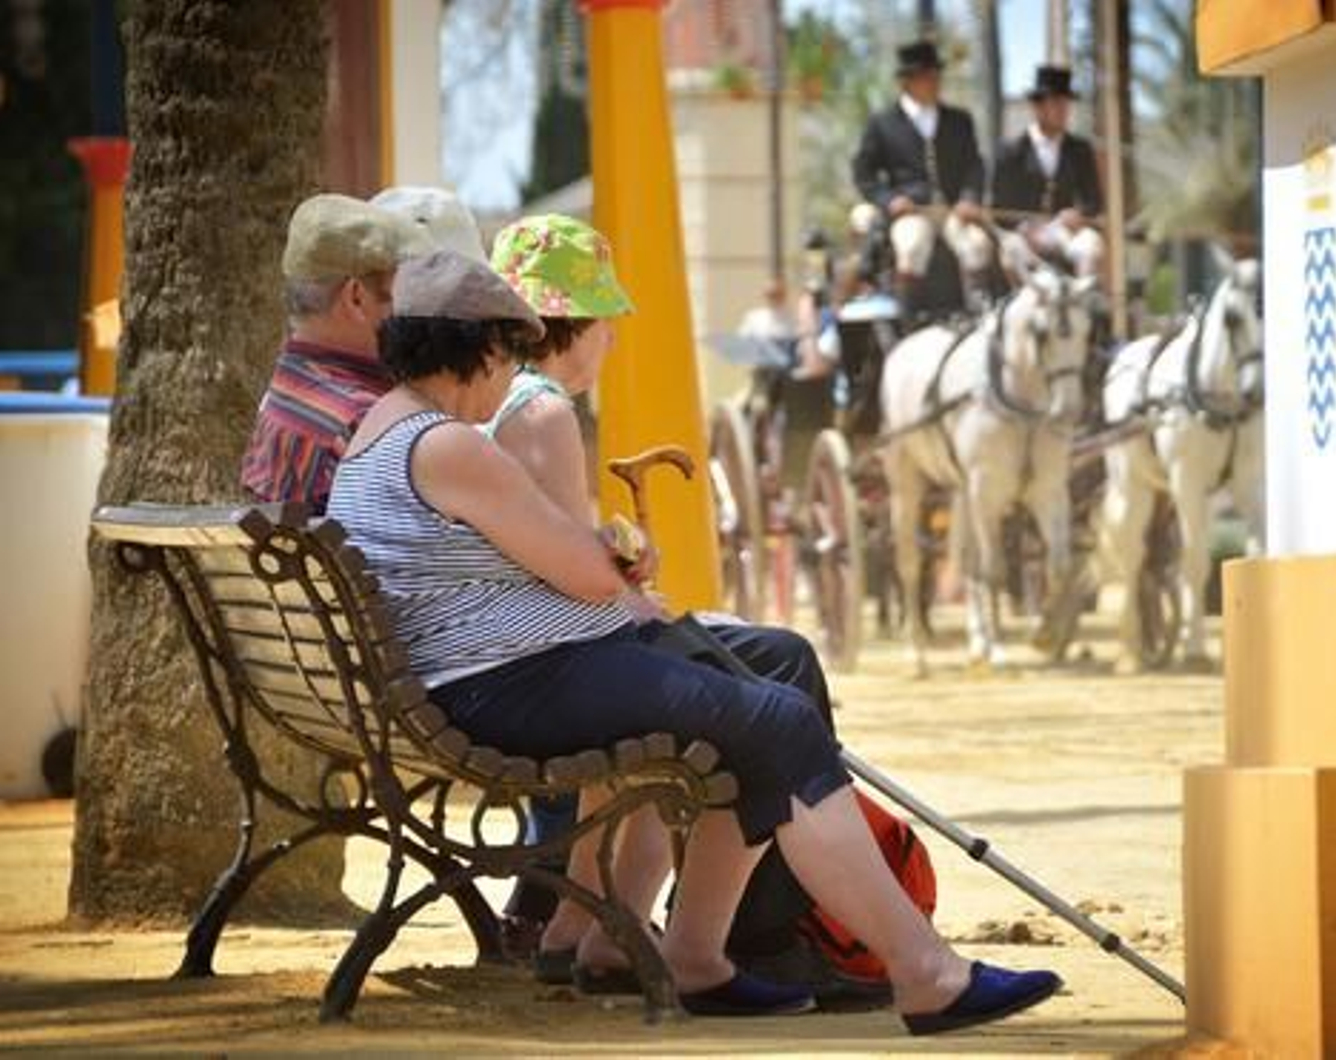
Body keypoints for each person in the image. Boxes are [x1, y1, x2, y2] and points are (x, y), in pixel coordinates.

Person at [325, 247, 1063, 1032]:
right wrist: (625, 552)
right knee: (777, 718)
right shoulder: (449, 446)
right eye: (511, 353)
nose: (513, 373)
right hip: (507, 687)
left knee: (760, 708)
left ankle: (702, 956)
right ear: (477, 349)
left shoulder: (385, 428)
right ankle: (926, 975)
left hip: (482, 679)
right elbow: (589, 574)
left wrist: (603, 561)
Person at [486, 215, 878, 1007]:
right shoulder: (545, 412)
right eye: (608, 324)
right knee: (781, 664)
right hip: (544, 670)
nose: (614, 343)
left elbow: (550, 553)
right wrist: (636, 592)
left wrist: (618, 569)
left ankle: (599, 928)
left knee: (733, 649)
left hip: (501, 661)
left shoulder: (498, 402)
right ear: (576, 324)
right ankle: (758, 936)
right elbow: (579, 590)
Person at [239, 193, 431, 511]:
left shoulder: (284, 390)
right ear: (356, 298)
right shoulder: (366, 417)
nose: (418, 313)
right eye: (406, 295)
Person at [850, 40, 986, 319]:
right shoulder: (882, 123)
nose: (934, 82)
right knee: (912, 244)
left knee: (976, 244)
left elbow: (975, 166)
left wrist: (969, 199)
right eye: (927, 76)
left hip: (951, 209)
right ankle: (907, 320)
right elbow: (863, 173)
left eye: (936, 75)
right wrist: (889, 200)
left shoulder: (960, 120)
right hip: (911, 211)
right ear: (907, 82)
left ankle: (979, 316)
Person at [988, 65, 1104, 277]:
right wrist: (1026, 229)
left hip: (1065, 231)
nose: (1063, 110)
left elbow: (1093, 201)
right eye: (1056, 103)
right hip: (1021, 233)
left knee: (1091, 244)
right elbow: (999, 207)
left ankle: (1083, 297)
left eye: (1066, 103)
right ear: (1038, 107)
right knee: (1011, 252)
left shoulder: (1079, 150)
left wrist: (1078, 215)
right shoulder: (1011, 151)